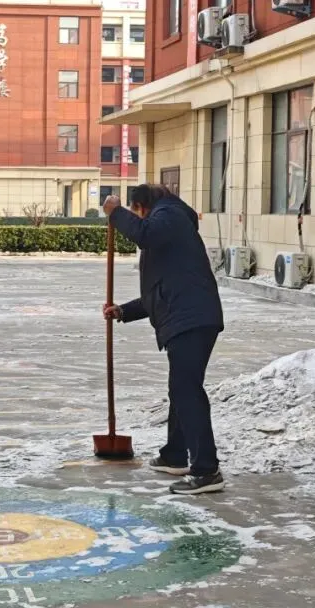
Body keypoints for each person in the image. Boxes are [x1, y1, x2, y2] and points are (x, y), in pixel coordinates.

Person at [102, 184, 226, 495]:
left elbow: (144, 233)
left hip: (191, 320)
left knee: (187, 391)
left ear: (142, 206)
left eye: (135, 212)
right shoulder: (171, 229)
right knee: (181, 389)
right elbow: (160, 292)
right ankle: (175, 454)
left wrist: (115, 212)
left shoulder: (168, 214)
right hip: (189, 317)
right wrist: (124, 311)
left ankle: (206, 470)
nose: (137, 218)